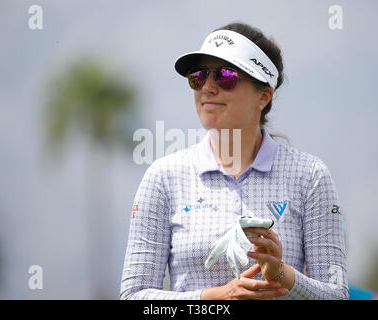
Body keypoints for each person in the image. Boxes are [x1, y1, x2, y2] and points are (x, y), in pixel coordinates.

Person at [120, 22, 349, 300]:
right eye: (199, 76)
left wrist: (281, 274)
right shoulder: (163, 177)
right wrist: (216, 298)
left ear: (264, 96)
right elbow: (134, 297)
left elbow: (337, 296)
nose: (207, 87)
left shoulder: (310, 176)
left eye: (225, 76)